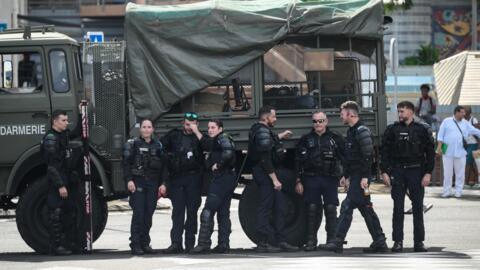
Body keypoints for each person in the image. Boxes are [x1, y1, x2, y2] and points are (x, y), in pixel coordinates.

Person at [325, 101, 388, 253]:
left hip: (361, 177)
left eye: (342, 113)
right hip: (355, 176)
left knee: (347, 206)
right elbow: (350, 157)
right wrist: (346, 176)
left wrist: (365, 178)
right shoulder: (352, 131)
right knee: (366, 208)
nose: (340, 115)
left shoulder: (362, 130)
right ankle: (379, 241)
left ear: (350, 114)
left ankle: (337, 241)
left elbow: (368, 156)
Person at [380, 101, 435, 253]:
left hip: (417, 172)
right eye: (398, 111)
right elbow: (385, 152)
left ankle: (419, 242)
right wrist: (384, 171)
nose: (400, 114)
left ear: (411, 111)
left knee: (417, 208)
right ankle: (398, 242)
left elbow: (430, 153)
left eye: (402, 111)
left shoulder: (422, 129)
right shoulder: (392, 130)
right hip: (398, 172)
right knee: (397, 208)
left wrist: (428, 173)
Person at [248, 105, 299, 252]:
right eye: (273, 116)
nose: (275, 119)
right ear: (265, 117)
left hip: (265, 172)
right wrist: (274, 179)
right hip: (265, 172)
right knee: (266, 206)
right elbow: (265, 158)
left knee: (280, 206)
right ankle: (263, 243)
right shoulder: (262, 131)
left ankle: (281, 240)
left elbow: (268, 143)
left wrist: (280, 136)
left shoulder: (262, 131)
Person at [294, 111, 345, 251]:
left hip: (330, 178)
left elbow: (344, 157)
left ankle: (331, 240)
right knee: (311, 209)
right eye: (315, 121)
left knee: (330, 208)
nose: (318, 124)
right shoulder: (306, 139)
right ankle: (311, 241)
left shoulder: (335, 138)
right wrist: (298, 181)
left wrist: (345, 176)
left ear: (326, 122)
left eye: (320, 121)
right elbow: (298, 161)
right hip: (311, 178)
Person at [161, 112, 205, 253]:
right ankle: (176, 243)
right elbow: (160, 146)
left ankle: (190, 243)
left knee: (192, 212)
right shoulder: (174, 135)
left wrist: (197, 131)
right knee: (178, 212)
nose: (189, 127)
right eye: (187, 124)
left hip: (193, 179)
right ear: (183, 124)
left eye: (192, 124)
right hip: (177, 178)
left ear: (197, 124)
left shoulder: (200, 137)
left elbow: (208, 146)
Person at [191, 119, 237, 254]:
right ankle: (223, 245)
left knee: (208, 211)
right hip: (226, 178)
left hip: (222, 178)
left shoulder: (222, 138)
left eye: (213, 127)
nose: (210, 130)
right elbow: (205, 142)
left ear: (220, 129)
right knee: (223, 213)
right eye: (209, 128)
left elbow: (228, 153)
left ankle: (203, 244)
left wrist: (219, 165)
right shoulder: (216, 140)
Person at [123, 118, 169, 255]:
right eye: (144, 127)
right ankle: (135, 244)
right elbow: (126, 164)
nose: (146, 129)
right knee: (138, 214)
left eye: (149, 127)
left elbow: (164, 167)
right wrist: (129, 180)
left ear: (152, 129)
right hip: (138, 182)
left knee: (148, 214)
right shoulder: (132, 144)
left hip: (153, 183)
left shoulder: (158, 145)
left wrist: (164, 183)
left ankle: (145, 243)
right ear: (140, 129)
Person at [41, 109, 83, 255]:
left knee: (71, 212)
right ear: (55, 121)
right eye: (63, 120)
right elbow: (51, 167)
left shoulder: (63, 134)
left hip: (66, 178)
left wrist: (81, 113)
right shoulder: (51, 139)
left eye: (67, 120)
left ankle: (70, 244)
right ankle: (56, 247)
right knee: (56, 214)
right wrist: (60, 186)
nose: (66, 123)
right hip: (56, 181)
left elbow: (77, 131)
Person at [437, 106, 480, 198]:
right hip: (447, 150)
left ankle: (458, 191)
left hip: (461, 151)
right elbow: (440, 135)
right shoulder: (446, 121)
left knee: (460, 173)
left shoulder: (465, 123)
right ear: (456, 112)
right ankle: (447, 191)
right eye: (462, 112)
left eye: (464, 112)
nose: (464, 114)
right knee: (447, 173)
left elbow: (475, 131)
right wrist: (439, 148)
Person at [463, 106, 480, 187]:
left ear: (469, 112)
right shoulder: (463, 121)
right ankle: (477, 181)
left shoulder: (473, 120)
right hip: (467, 144)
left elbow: (477, 132)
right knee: (472, 164)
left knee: (468, 163)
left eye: (465, 111)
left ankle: (466, 183)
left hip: (474, 144)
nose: (464, 113)